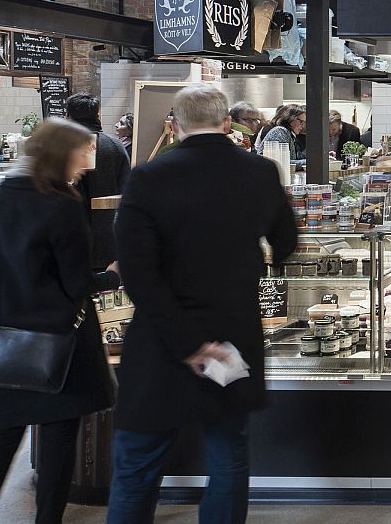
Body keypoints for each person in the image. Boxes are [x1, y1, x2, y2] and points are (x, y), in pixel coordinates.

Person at [108, 84, 298, 524]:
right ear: (227, 122)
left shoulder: (147, 177)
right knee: (228, 453)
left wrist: (188, 343)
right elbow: (286, 242)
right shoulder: (260, 172)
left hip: (161, 338)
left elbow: (137, 273)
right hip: (232, 334)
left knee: (138, 463)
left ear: (174, 126)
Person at [0, 119, 119, 524]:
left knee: (4, 436)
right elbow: (76, 282)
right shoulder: (61, 204)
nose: (87, 163)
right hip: (58, 340)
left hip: (1, 341)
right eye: (83, 153)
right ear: (60, 155)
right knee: (59, 439)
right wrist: (113, 275)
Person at [66, 93, 132, 270]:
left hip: (69, 239)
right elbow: (127, 191)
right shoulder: (115, 145)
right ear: (98, 116)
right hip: (109, 237)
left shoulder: (61, 147)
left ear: (68, 117)